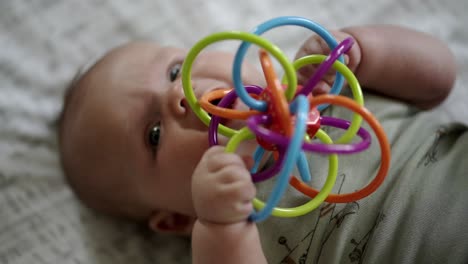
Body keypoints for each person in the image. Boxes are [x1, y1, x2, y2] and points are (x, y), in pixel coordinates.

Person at [57, 23, 468, 264]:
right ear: (177, 220)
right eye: (154, 135)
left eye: (174, 71)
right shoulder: (227, 226)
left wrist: (366, 49)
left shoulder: (322, 82)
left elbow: (439, 79)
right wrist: (221, 226)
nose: (177, 97)